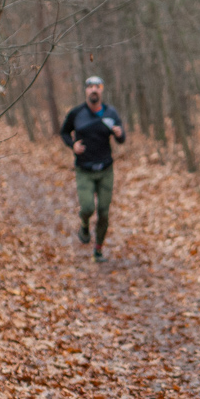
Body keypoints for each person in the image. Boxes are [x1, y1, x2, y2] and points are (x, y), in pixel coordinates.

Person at [60, 75, 125, 262]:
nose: (94, 90)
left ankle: (98, 250)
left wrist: (119, 134)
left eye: (98, 86)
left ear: (102, 90)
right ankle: (84, 225)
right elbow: (64, 132)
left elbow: (122, 138)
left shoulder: (110, 113)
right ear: (86, 90)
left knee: (104, 212)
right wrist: (72, 145)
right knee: (88, 207)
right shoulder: (76, 113)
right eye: (90, 87)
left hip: (105, 169)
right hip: (84, 170)